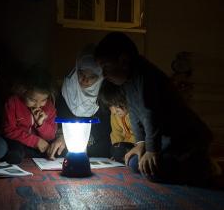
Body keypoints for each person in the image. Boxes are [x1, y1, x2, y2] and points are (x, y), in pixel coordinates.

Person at [95, 32, 213, 185]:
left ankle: (199, 166)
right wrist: (140, 144)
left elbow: (150, 115)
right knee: (133, 163)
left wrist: (151, 151)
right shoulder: (128, 81)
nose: (103, 74)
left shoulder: (146, 77)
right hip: (163, 143)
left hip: (184, 141)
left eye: (106, 67)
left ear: (123, 61)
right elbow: (135, 115)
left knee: (151, 171)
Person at [50, 44, 111, 159]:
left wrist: (83, 138)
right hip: (68, 138)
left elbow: (105, 128)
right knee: (62, 150)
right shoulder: (68, 88)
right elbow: (60, 117)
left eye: (92, 77)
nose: (84, 80)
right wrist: (64, 136)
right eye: (81, 74)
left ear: (100, 77)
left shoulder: (105, 93)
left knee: (102, 150)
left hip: (95, 140)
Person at [3, 67, 58, 164]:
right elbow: (9, 130)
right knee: (14, 151)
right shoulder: (13, 102)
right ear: (23, 91)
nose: (37, 105)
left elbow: (51, 135)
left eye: (43, 100)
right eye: (32, 100)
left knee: (57, 150)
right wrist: (35, 142)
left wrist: (41, 124)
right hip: (21, 143)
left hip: (42, 146)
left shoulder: (49, 106)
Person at [98, 81, 136, 163]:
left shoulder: (135, 112)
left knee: (133, 162)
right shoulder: (114, 115)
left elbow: (142, 136)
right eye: (110, 106)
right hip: (124, 146)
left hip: (138, 145)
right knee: (115, 150)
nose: (114, 111)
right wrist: (115, 150)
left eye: (116, 105)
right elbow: (116, 133)